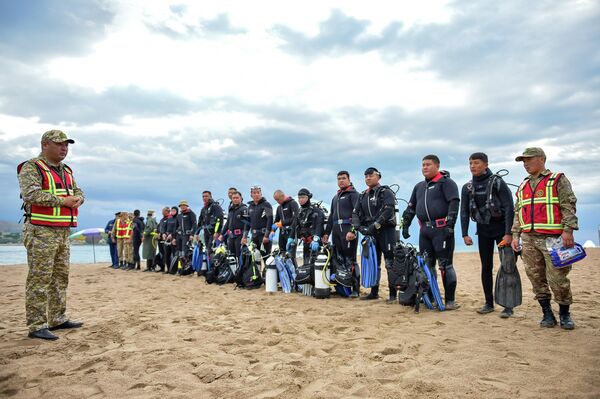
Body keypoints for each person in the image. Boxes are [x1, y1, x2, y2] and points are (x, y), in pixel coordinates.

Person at [17, 129, 84, 340]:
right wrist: (63, 201)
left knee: (60, 277)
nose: (64, 148)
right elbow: (31, 194)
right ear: (45, 144)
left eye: (67, 144)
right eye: (59, 144)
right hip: (40, 231)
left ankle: (57, 318)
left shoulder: (66, 170)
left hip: (62, 231)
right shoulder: (32, 167)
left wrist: (79, 199)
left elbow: (78, 190)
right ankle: (37, 325)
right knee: (40, 278)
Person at [510, 147, 578, 329]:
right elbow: (518, 212)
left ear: (541, 159)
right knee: (536, 278)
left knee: (558, 279)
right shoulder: (523, 185)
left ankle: (565, 314)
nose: (525, 164)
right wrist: (515, 235)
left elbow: (568, 205)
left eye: (529, 159)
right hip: (529, 239)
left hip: (554, 239)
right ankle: (547, 313)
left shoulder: (557, 180)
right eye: (523, 161)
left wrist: (568, 230)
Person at [402, 155, 460, 310]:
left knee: (445, 266)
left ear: (437, 165)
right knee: (427, 266)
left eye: (428, 164)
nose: (425, 167)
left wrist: (450, 225)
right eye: (422, 165)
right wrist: (405, 224)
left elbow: (454, 203)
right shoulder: (419, 186)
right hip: (425, 231)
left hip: (442, 230)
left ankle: (450, 301)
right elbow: (411, 207)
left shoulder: (446, 183)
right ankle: (433, 297)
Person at [460, 153, 515, 317]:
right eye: (470, 163)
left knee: (507, 266)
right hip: (483, 230)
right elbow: (464, 212)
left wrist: (508, 233)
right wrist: (465, 234)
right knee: (486, 267)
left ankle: (508, 305)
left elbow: (509, 208)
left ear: (486, 164)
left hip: (501, 231)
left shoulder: (497, 182)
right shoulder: (467, 187)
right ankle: (489, 303)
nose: (472, 166)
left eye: (476, 163)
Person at [352, 168, 397, 301]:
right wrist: (359, 228)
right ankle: (374, 292)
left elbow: (389, 210)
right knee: (373, 262)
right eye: (365, 176)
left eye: (371, 175)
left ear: (378, 177)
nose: (368, 178)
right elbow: (355, 213)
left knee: (390, 263)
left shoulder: (386, 192)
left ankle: (393, 294)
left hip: (386, 231)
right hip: (370, 233)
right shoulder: (362, 195)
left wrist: (375, 225)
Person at [323, 171, 360, 297]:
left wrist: (353, 230)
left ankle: (355, 289)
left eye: (343, 178)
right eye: (339, 179)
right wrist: (327, 233)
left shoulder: (354, 195)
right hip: (336, 231)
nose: (341, 181)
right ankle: (342, 286)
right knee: (338, 260)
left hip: (348, 231)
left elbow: (357, 214)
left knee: (351, 261)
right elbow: (331, 217)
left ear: (349, 179)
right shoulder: (335, 197)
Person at [289, 188, 325, 267]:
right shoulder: (299, 211)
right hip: (305, 242)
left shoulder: (316, 211)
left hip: (315, 242)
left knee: (315, 264)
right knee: (306, 263)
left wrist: (316, 238)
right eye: (299, 198)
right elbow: (294, 225)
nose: (301, 200)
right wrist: (290, 238)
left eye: (303, 197)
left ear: (308, 197)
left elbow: (320, 225)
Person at [243, 186, 273, 261]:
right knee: (255, 260)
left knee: (267, 259)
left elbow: (270, 220)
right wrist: (244, 237)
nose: (256, 194)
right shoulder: (249, 207)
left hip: (263, 236)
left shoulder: (267, 204)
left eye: (258, 193)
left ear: (261, 193)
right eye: (254, 193)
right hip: (254, 237)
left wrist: (266, 235)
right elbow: (247, 223)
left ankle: (267, 272)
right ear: (251, 195)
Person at [196, 191, 224, 270]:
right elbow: (200, 221)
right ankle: (210, 269)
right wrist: (197, 233)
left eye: (206, 196)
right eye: (203, 196)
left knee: (212, 250)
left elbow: (220, 219)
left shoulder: (215, 206)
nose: (204, 198)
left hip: (213, 232)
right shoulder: (203, 209)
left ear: (210, 196)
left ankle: (213, 269)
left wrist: (217, 232)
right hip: (206, 232)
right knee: (208, 250)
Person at [270, 190, 300, 258]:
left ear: (283, 196)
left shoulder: (293, 203)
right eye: (276, 200)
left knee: (290, 256)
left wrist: (282, 223)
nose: (277, 201)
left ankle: (294, 268)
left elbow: (295, 219)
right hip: (282, 233)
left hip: (291, 232)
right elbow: (276, 221)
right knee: (282, 254)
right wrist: (272, 231)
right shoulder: (279, 207)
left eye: (278, 199)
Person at [219, 191, 247, 259]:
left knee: (239, 256)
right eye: (233, 198)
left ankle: (240, 269)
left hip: (240, 236)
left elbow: (247, 224)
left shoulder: (244, 209)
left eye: (237, 198)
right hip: (231, 236)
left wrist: (244, 237)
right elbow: (227, 223)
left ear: (241, 198)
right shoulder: (231, 210)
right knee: (231, 256)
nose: (235, 199)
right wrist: (222, 234)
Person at [176, 200, 197, 272]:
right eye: (181, 206)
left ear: (186, 206)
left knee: (185, 252)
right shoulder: (179, 215)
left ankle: (186, 269)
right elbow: (177, 226)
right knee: (179, 252)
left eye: (183, 205)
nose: (182, 207)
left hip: (187, 235)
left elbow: (194, 225)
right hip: (180, 235)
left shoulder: (191, 214)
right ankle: (180, 268)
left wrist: (192, 234)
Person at [164, 206, 179, 273]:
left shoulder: (178, 218)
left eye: (174, 210)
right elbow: (165, 227)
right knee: (167, 254)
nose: (173, 212)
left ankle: (174, 270)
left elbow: (178, 228)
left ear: (176, 211)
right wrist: (163, 233)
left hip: (174, 238)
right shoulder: (169, 219)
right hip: (167, 238)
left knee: (174, 255)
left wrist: (173, 235)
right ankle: (168, 269)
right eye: (172, 210)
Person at [155, 207, 170, 272]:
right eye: (162, 211)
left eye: (163, 211)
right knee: (161, 253)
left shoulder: (170, 219)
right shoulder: (161, 220)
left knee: (166, 254)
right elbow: (158, 228)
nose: (162, 212)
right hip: (160, 238)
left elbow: (169, 229)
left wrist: (163, 234)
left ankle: (168, 268)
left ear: (167, 211)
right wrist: (157, 233)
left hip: (166, 239)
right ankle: (162, 267)